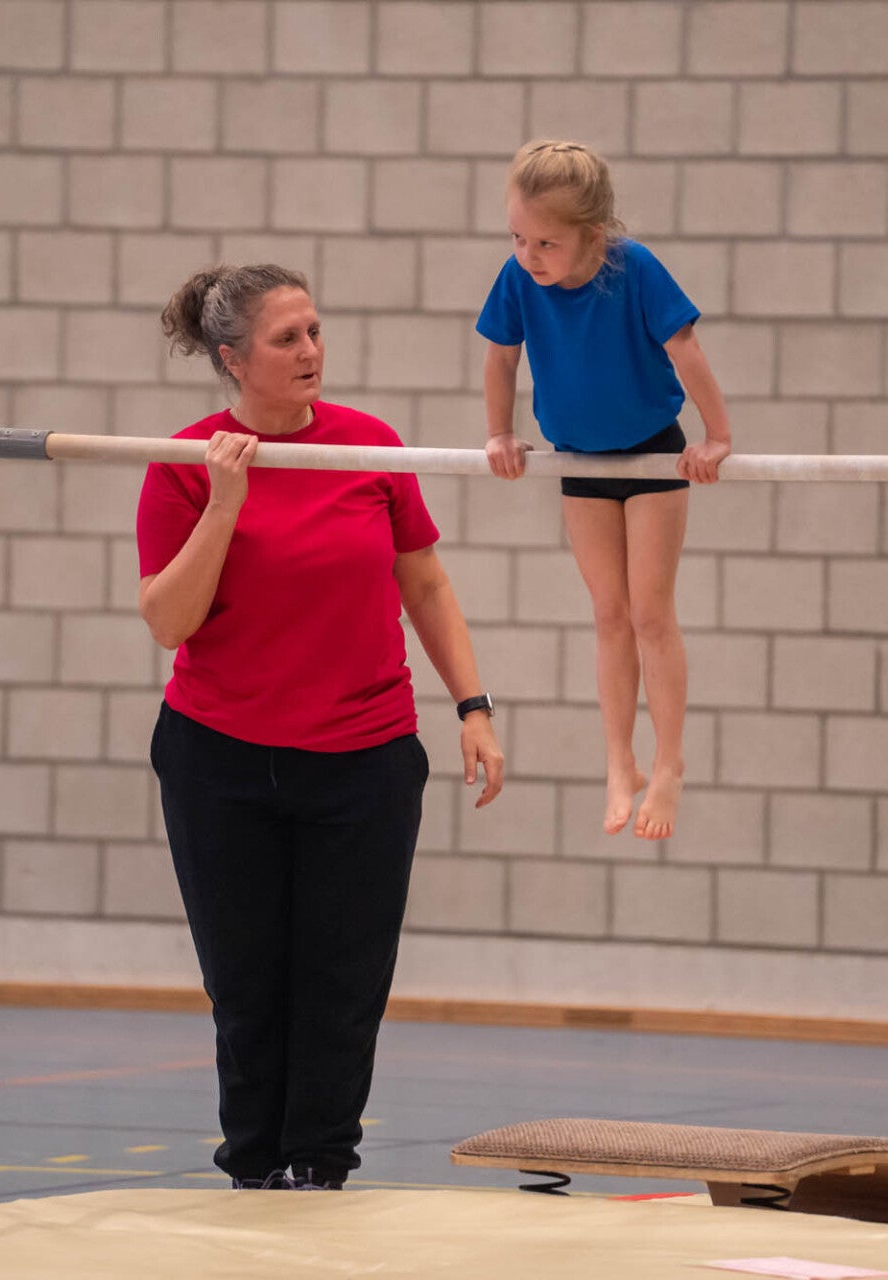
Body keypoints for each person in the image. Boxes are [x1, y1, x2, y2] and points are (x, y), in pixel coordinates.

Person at [138, 263, 506, 1191]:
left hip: (363, 759)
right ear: (232, 358)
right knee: (246, 983)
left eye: (314, 331)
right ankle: (253, 1165)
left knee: (343, 983)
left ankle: (319, 1164)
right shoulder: (183, 461)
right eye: (286, 338)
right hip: (221, 760)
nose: (310, 351)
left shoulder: (368, 447)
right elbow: (169, 621)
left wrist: (472, 706)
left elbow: (425, 584)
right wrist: (225, 503)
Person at [477, 139, 733, 841]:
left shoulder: (634, 267)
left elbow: (687, 351)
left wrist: (716, 437)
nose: (529, 255)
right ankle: (620, 761)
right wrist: (499, 434)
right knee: (608, 614)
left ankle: (669, 762)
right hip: (580, 461)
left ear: (592, 234)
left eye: (546, 243)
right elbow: (501, 360)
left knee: (650, 613)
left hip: (652, 457)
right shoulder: (518, 278)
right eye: (518, 238)